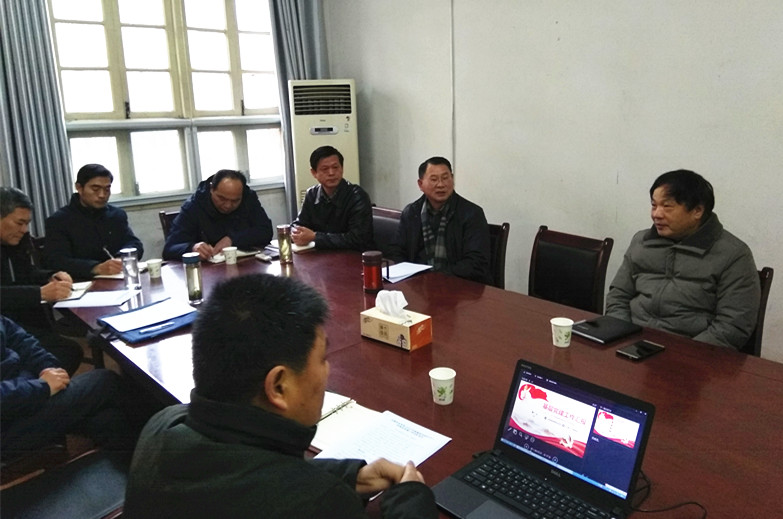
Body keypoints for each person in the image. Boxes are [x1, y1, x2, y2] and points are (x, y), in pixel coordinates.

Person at [124, 274, 437, 519]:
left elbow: (251, 474)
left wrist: (350, 476)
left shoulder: (162, 425)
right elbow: (281, 490)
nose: (328, 371)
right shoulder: (321, 505)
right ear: (278, 387)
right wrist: (412, 502)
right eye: (323, 359)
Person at [605, 169, 760, 350]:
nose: (656, 214)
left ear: (697, 211)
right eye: (654, 205)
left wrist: (682, 354)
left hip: (691, 354)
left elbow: (732, 326)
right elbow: (618, 296)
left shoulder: (733, 254)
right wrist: (622, 335)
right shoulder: (641, 241)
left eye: (667, 206)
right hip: (632, 344)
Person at [0, 315, 131, 460]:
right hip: (8, 420)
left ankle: (131, 464)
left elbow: (16, 336)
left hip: (23, 394)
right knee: (105, 381)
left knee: (107, 419)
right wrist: (42, 387)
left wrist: (47, 367)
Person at [0, 187, 83, 374]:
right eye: (19, 223)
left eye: (27, 223)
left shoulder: (16, 240)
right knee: (65, 353)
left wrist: (51, 276)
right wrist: (39, 293)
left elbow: (26, 273)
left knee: (67, 350)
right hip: (5, 328)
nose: (24, 230)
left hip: (21, 320)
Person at [387, 156, 491, 284]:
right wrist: (411, 277)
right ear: (420, 184)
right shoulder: (412, 213)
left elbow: (476, 262)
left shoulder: (472, 214)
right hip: (418, 285)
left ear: (452, 179)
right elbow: (396, 251)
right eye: (434, 179)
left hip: (460, 286)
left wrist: (435, 277)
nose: (441, 184)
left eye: (445, 178)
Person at [44, 164, 144, 280]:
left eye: (107, 189)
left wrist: (121, 258)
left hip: (119, 278)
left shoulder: (116, 215)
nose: (102, 195)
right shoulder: (59, 220)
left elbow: (134, 243)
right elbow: (56, 261)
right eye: (95, 189)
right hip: (83, 282)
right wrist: (95, 268)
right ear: (79, 188)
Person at [162, 169, 273, 261]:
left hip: (245, 265)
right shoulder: (193, 206)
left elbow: (266, 231)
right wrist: (192, 248)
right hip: (207, 272)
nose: (228, 205)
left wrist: (232, 239)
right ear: (211, 189)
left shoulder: (248, 198)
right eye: (222, 198)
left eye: (235, 201)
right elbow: (169, 249)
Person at [291, 145, 374, 251]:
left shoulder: (357, 196)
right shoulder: (312, 194)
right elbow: (299, 224)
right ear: (314, 173)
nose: (331, 173)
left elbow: (357, 239)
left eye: (335, 167)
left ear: (342, 169)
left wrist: (315, 237)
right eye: (325, 169)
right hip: (323, 255)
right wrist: (295, 233)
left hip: (354, 255)